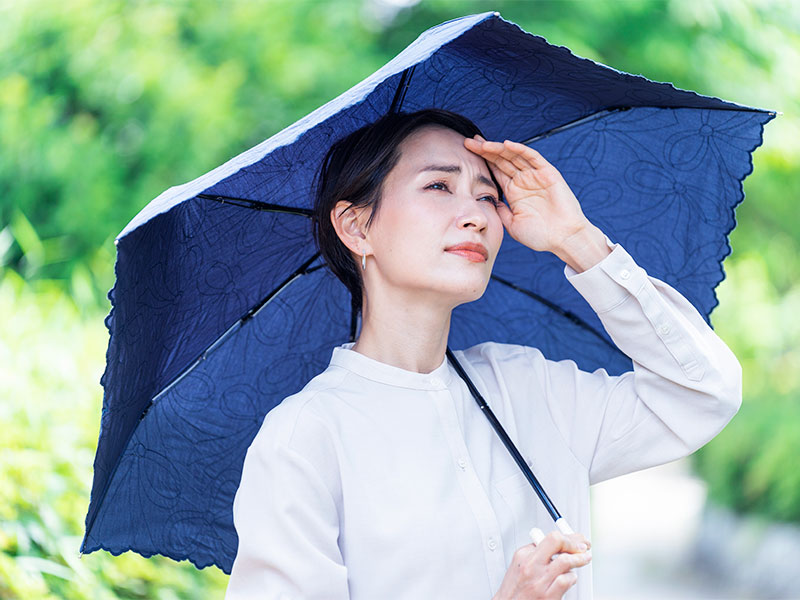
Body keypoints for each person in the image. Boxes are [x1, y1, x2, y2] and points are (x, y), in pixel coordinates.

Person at [224, 109, 741, 600]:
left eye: (488, 196)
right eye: (438, 186)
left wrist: (576, 239)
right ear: (358, 227)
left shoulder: (529, 388)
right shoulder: (305, 439)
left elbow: (703, 394)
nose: (474, 215)